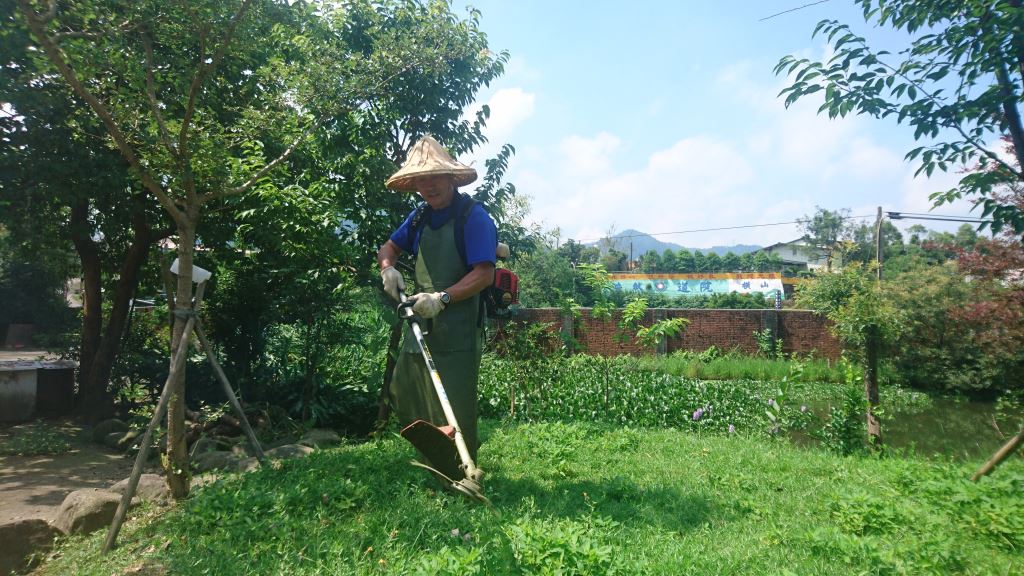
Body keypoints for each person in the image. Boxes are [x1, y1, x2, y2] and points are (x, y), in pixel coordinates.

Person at [377, 135, 497, 465]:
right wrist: (388, 269)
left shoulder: (473, 217)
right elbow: (388, 248)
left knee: (455, 405)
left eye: (434, 177)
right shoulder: (419, 218)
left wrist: (443, 298)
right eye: (420, 180)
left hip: (457, 329)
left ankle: (462, 471)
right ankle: (436, 463)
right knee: (407, 390)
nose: (428, 186)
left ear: (450, 178)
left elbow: (484, 273)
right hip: (420, 324)